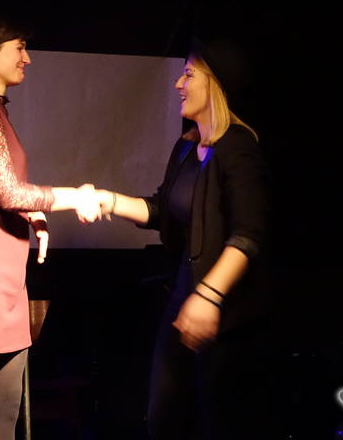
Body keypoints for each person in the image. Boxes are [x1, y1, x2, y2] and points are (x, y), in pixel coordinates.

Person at [0, 8, 101, 440]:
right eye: (20, 48)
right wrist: (75, 197)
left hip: (3, 273)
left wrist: (33, 214)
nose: (27, 58)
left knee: (6, 410)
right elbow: (8, 191)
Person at [97, 38, 272, 439]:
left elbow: (248, 234)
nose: (179, 83)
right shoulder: (185, 147)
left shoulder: (239, 148)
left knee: (220, 421)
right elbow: (161, 210)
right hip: (183, 297)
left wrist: (209, 296)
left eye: (189, 74)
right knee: (163, 418)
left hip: (229, 311)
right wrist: (109, 200)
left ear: (216, 84)